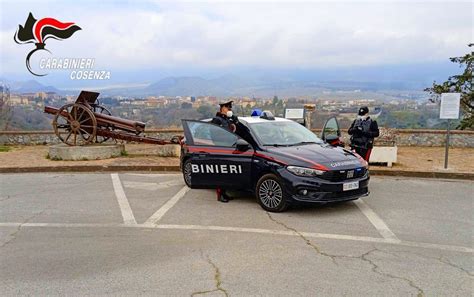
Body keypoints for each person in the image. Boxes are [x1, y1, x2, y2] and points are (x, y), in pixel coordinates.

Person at [211, 101, 239, 203]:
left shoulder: (227, 120)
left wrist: (235, 121)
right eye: (228, 108)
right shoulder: (217, 120)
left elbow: (234, 131)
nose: (229, 110)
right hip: (220, 148)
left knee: (227, 172)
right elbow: (213, 134)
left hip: (229, 148)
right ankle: (220, 194)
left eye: (230, 109)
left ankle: (225, 193)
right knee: (221, 172)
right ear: (222, 108)